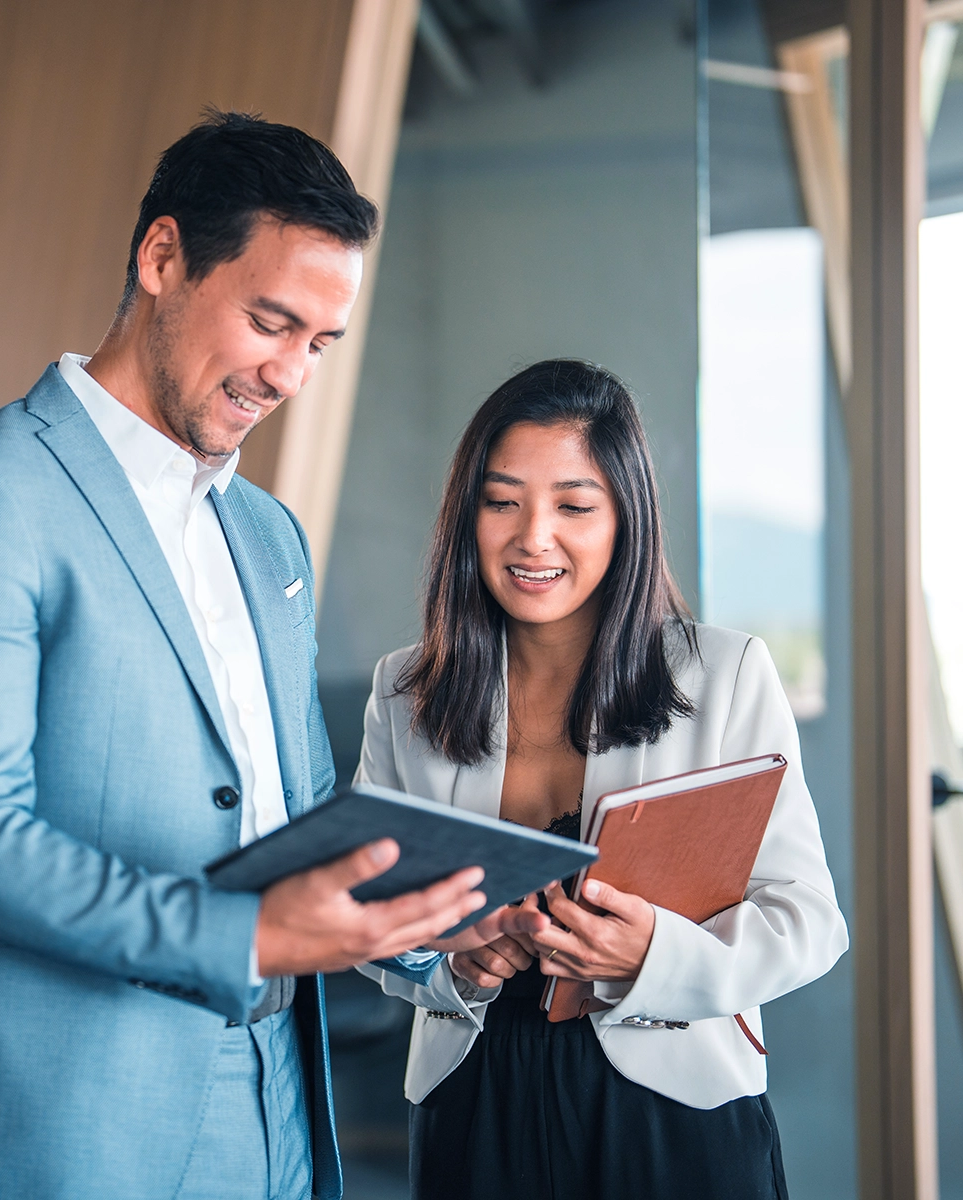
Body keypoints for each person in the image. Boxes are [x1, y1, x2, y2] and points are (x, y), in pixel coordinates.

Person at [0, 111, 542, 1200]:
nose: (288, 376)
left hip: (275, 1100)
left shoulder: (269, 535)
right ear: (163, 256)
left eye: (319, 343)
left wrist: (433, 937)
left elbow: (305, 816)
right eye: (270, 322)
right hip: (64, 1116)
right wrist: (247, 932)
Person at [357, 359, 849, 1200]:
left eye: (574, 506)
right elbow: (372, 916)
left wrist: (652, 954)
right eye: (501, 501)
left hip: (674, 1110)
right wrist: (451, 967)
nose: (532, 537)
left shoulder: (725, 674)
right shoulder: (406, 690)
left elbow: (808, 922)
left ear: (626, 518)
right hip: (474, 1102)